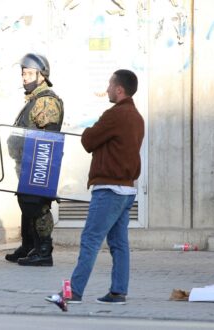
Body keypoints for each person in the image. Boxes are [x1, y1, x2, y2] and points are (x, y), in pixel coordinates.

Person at [48, 69, 144, 307]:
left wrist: (91, 129)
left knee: (90, 239)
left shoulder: (115, 114)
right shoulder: (137, 117)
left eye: (110, 85)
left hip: (109, 188)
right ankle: (118, 292)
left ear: (119, 89)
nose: (107, 89)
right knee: (119, 243)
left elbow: (88, 140)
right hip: (127, 189)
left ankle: (73, 293)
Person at [4, 53, 64, 267]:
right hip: (27, 162)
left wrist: (37, 163)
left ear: (42, 75)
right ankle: (29, 245)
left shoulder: (46, 100)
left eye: (29, 73)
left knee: (37, 205)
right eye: (23, 73)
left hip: (38, 163)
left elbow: (46, 136)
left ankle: (43, 250)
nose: (24, 78)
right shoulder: (34, 100)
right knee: (26, 202)